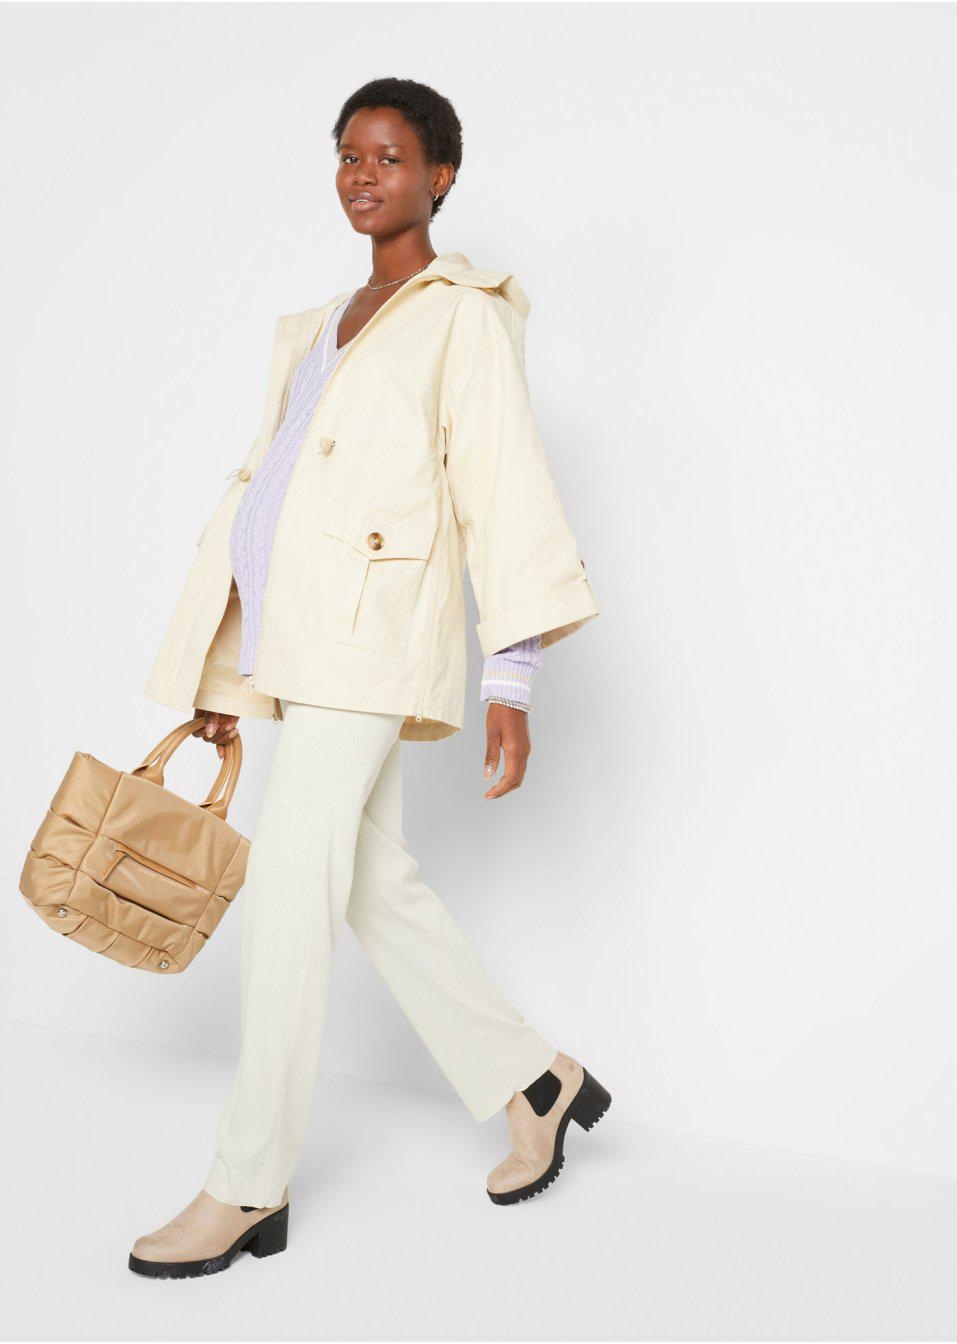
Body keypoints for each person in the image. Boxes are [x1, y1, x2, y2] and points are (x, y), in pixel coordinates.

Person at [130, 77, 609, 1280]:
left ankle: (247, 1181)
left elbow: (504, 487)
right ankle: (536, 1081)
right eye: (348, 154)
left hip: (371, 637)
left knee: (293, 887)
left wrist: (512, 679)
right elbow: (278, 492)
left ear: (440, 175)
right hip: (298, 639)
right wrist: (225, 663)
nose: (362, 174)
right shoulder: (321, 324)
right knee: (371, 883)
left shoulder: (462, 318)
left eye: (388, 157)